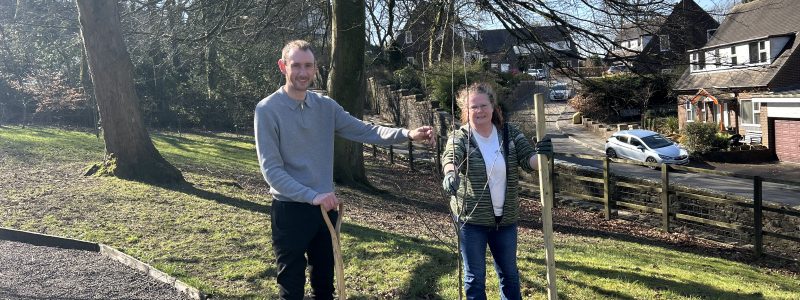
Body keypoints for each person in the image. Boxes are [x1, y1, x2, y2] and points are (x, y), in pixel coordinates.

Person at [255, 40, 435, 299]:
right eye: (296, 66)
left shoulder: (326, 107)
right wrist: (312, 196)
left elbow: (365, 130)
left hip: (325, 210)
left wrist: (407, 134)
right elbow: (272, 171)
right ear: (283, 66)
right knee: (291, 289)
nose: (303, 73)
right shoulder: (267, 110)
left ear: (315, 68)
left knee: (325, 288)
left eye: (308, 66)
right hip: (290, 210)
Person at [441, 82, 552, 300]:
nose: (479, 111)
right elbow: (451, 157)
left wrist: (543, 155)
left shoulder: (509, 133)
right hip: (471, 222)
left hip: (506, 222)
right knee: (475, 278)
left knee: (509, 275)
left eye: (483, 105)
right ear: (466, 110)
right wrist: (450, 174)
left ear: (493, 107)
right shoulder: (460, 136)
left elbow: (529, 160)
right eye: (473, 107)